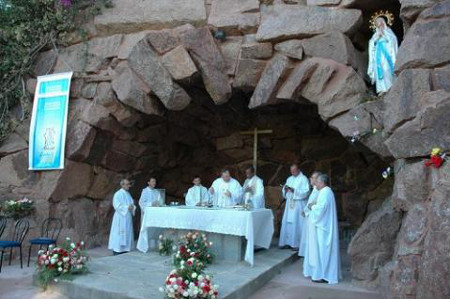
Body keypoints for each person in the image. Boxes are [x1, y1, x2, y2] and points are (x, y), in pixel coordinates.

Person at [303, 174, 341, 284]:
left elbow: (320, 209)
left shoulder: (325, 192)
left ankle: (324, 275)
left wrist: (311, 206)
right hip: (323, 226)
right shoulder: (325, 192)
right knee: (321, 252)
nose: (316, 184)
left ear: (322, 182)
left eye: (317, 182)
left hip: (323, 229)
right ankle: (321, 274)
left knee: (323, 252)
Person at [279, 164, 310, 250]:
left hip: (298, 205)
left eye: (294, 170)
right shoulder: (289, 179)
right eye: (291, 171)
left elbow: (306, 192)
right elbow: (284, 192)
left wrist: (294, 190)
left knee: (297, 223)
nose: (292, 172)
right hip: (290, 205)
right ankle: (286, 242)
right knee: (287, 223)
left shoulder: (304, 179)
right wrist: (285, 190)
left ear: (298, 170)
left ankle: (297, 244)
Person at [368, 13, 398, 95]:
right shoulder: (375, 35)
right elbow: (371, 44)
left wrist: (384, 35)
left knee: (387, 69)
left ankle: (390, 86)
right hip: (378, 55)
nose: (379, 24)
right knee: (379, 70)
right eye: (377, 23)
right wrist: (377, 37)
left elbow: (393, 40)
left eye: (381, 21)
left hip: (387, 54)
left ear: (384, 22)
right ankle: (382, 89)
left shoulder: (388, 31)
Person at [108, 179, 136, 255]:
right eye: (127, 184)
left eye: (129, 184)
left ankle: (126, 248)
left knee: (127, 232)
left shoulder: (128, 194)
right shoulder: (118, 194)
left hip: (127, 217)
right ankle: (117, 250)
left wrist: (132, 207)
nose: (128, 186)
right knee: (118, 233)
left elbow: (132, 204)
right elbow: (116, 205)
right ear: (122, 185)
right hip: (120, 217)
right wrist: (127, 207)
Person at [299, 171, 322, 257]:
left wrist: (305, 210)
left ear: (317, 179)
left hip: (312, 216)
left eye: (312, 178)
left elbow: (313, 203)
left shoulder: (317, 190)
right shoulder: (315, 189)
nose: (310, 179)